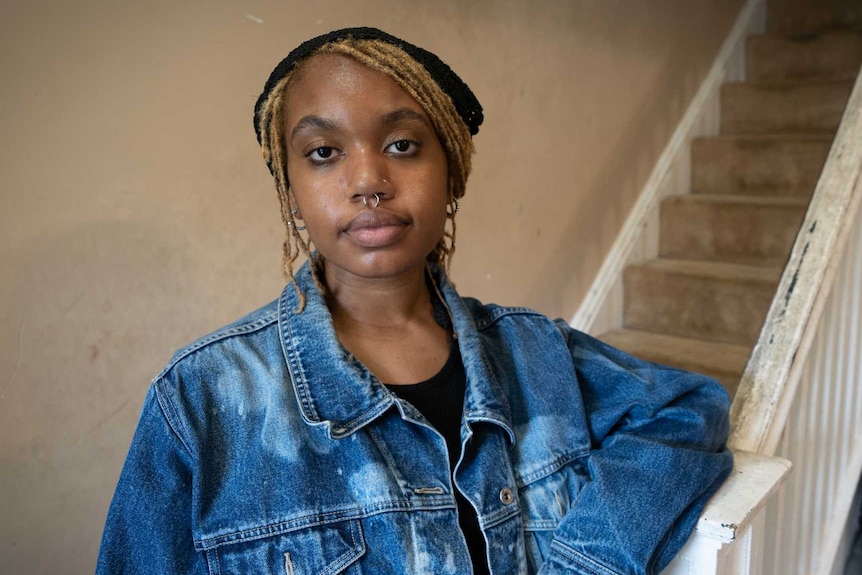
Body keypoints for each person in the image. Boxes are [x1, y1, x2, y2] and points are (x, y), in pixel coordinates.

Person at [96, 27, 733, 575]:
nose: (369, 181)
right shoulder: (200, 402)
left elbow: (685, 412)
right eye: (323, 153)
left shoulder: (537, 353)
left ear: (450, 173)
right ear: (291, 195)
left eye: (402, 145)